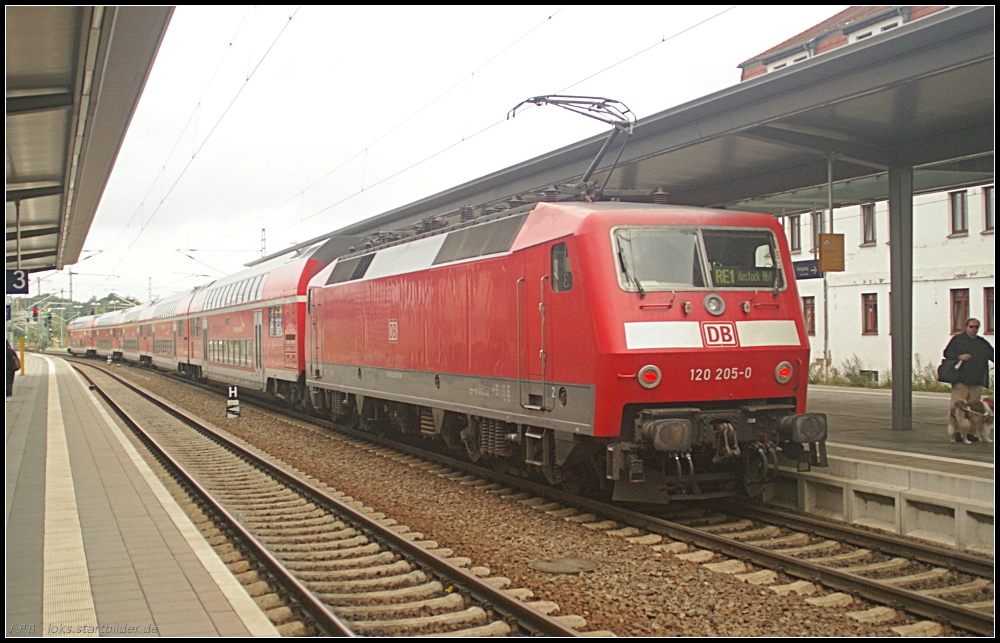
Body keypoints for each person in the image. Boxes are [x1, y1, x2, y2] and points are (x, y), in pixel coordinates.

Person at [943, 318, 994, 438]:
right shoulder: (957, 340)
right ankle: (956, 431)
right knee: (959, 406)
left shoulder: (982, 342)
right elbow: (947, 353)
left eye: (976, 327)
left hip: (977, 380)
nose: (974, 329)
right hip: (960, 379)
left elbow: (992, 354)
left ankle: (970, 433)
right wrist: (959, 356)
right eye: (971, 326)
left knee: (975, 409)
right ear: (966, 327)